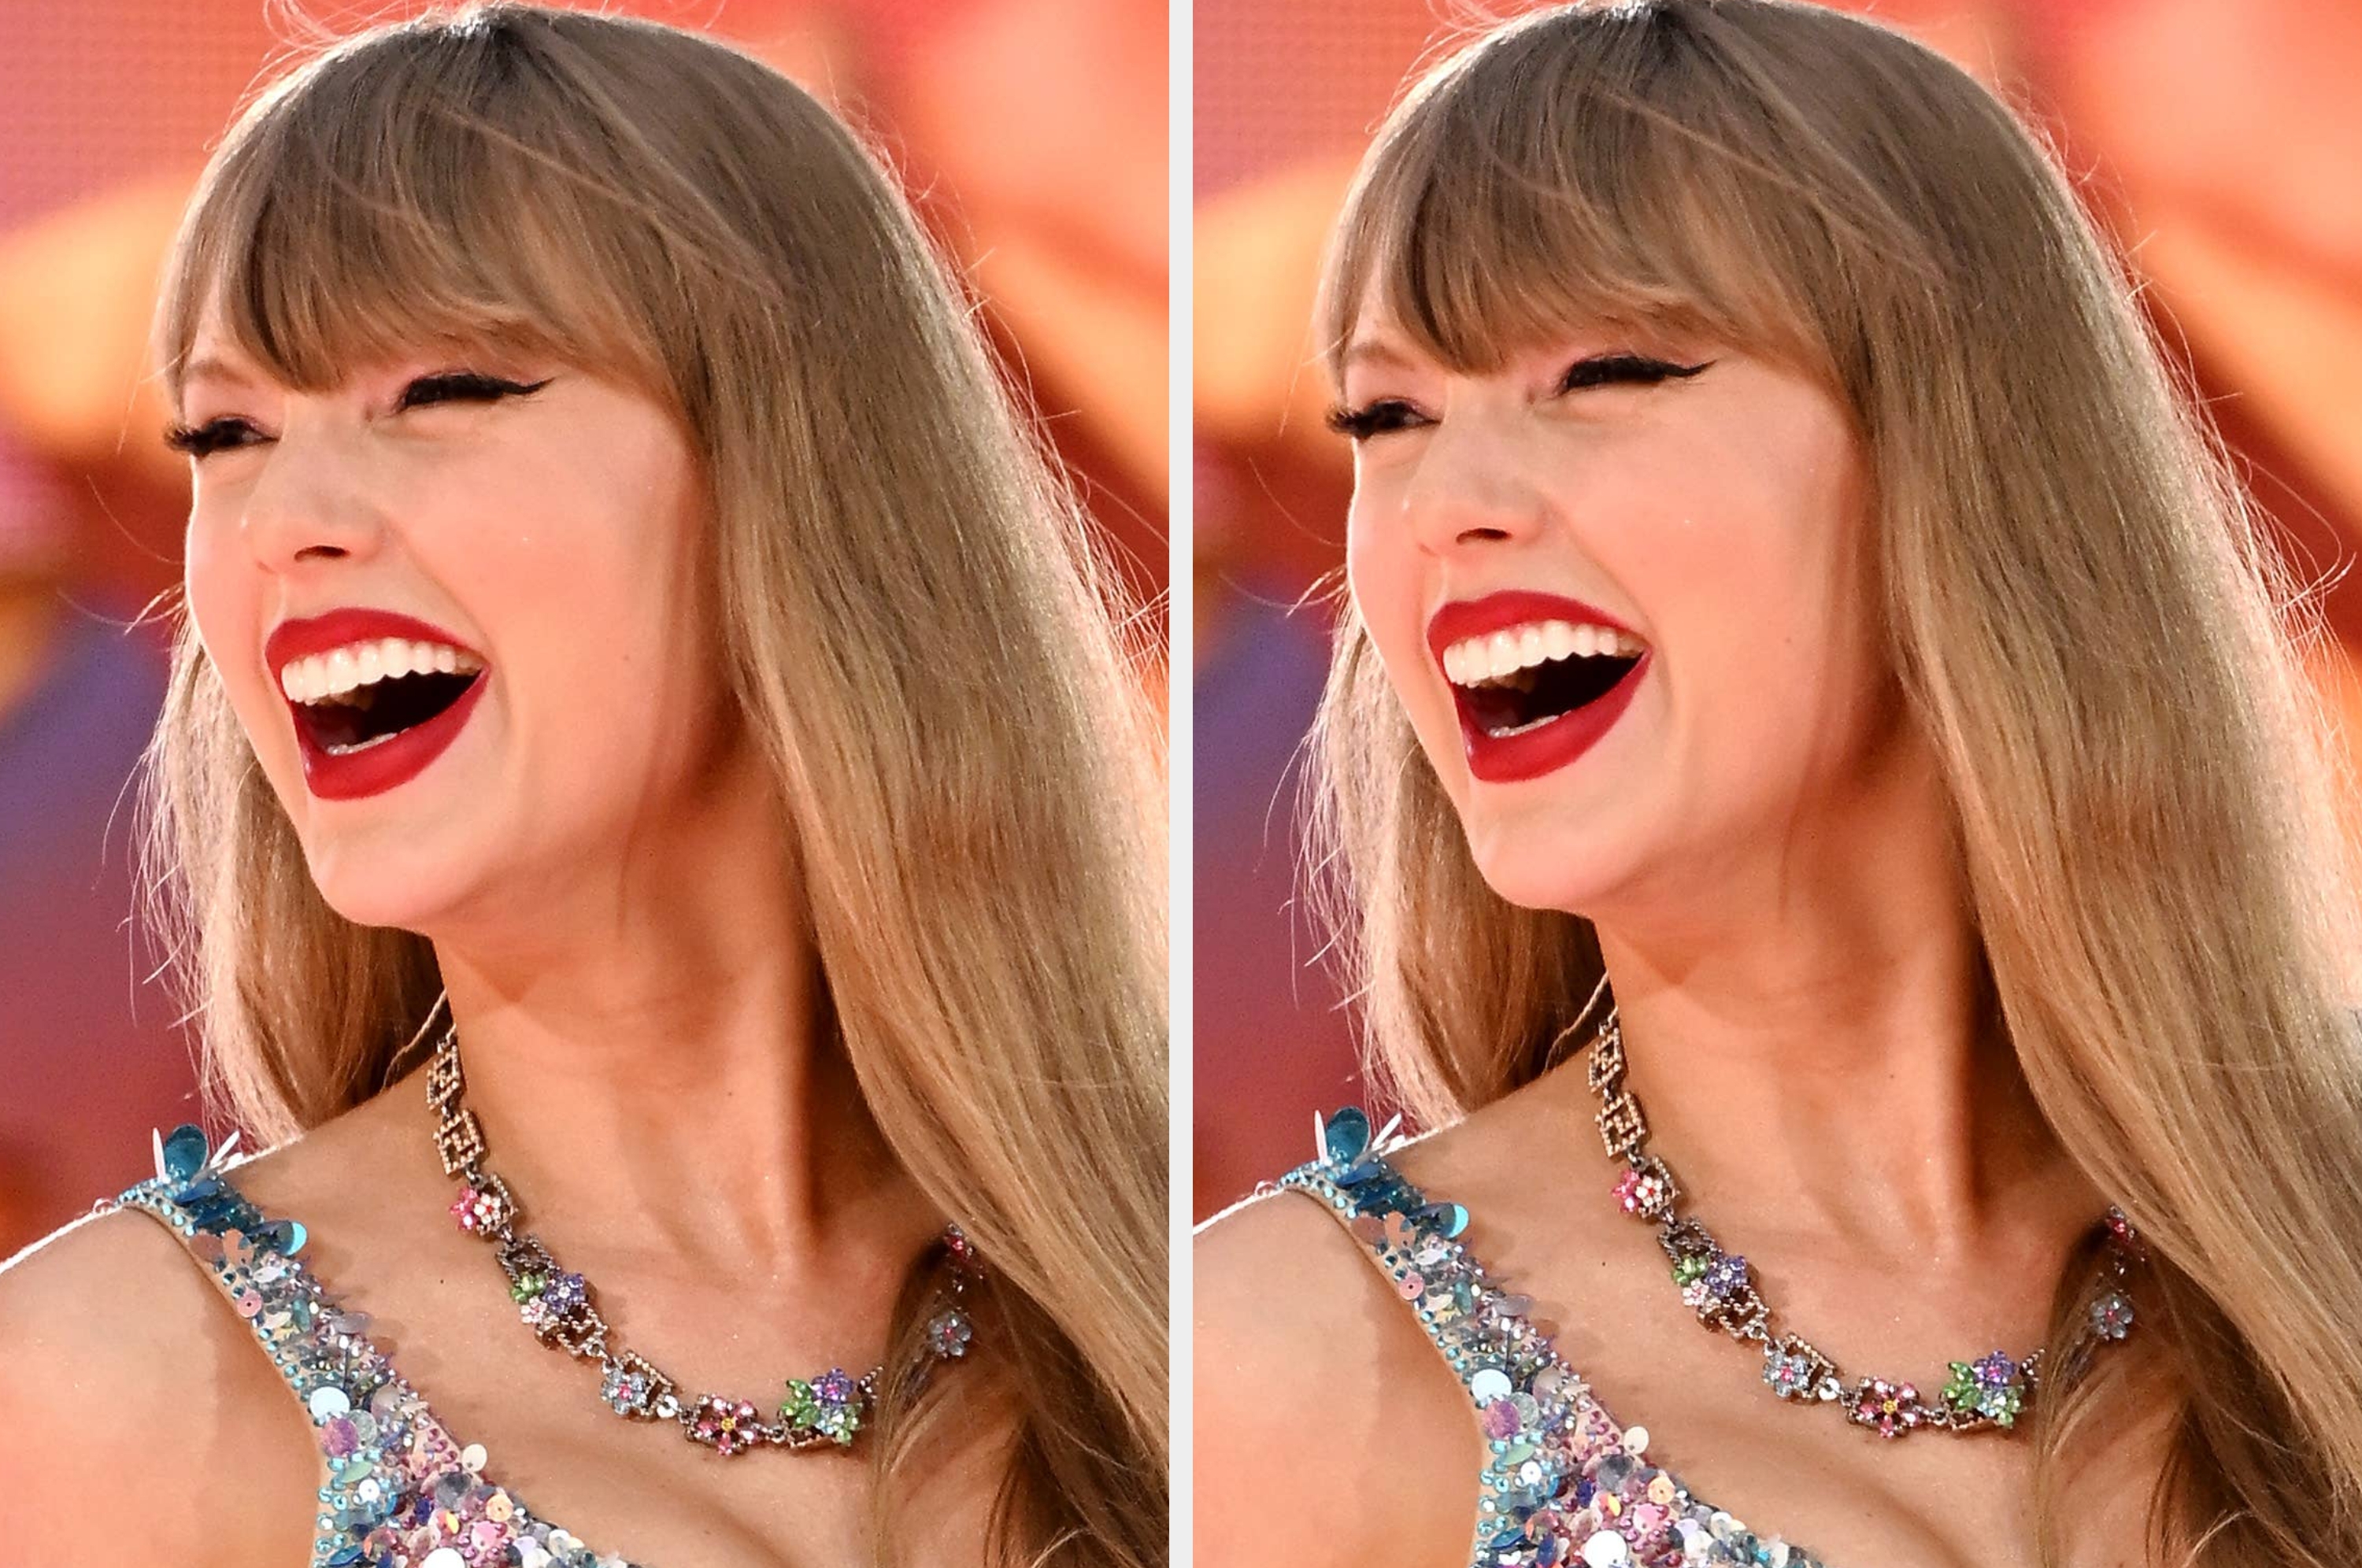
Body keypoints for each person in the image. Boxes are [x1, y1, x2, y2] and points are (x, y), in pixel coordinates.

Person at [1195, 2, 2362, 1565]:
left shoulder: (2323, 1237)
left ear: (1949, 461)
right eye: (1387, 418)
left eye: (1603, 374)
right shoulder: (1274, 1378)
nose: (1446, 506)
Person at [0, 8, 1166, 1567]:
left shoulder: (1185, 1320)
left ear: (791, 474)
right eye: (227, 433)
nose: (288, 519)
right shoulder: (98, 1401)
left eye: (447, 393)